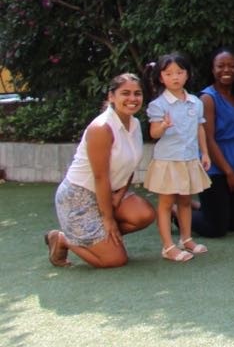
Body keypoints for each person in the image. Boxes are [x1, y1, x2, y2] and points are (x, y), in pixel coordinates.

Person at [44, 74, 156, 268]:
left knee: (144, 215)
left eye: (137, 93)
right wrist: (108, 218)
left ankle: (101, 240)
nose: (132, 99)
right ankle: (63, 239)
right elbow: (100, 176)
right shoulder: (101, 128)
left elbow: (130, 165)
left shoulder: (135, 124)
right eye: (125, 93)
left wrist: (119, 196)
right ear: (111, 96)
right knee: (115, 260)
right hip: (79, 197)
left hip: (110, 192)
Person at [144, 53, 211, 262]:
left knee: (185, 201)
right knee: (165, 203)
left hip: (189, 159)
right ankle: (168, 246)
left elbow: (200, 128)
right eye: (169, 73)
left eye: (180, 72)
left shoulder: (195, 102)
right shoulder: (158, 105)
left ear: (187, 75)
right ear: (160, 77)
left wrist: (205, 152)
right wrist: (162, 126)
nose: (175, 77)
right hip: (168, 160)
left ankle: (186, 239)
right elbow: (153, 133)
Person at [191, 48, 234, 238]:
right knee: (216, 229)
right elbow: (209, 139)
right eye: (221, 66)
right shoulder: (208, 98)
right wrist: (228, 173)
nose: (226, 70)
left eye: (232, 66)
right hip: (215, 170)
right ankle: (180, 212)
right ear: (212, 69)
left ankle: (202, 207)